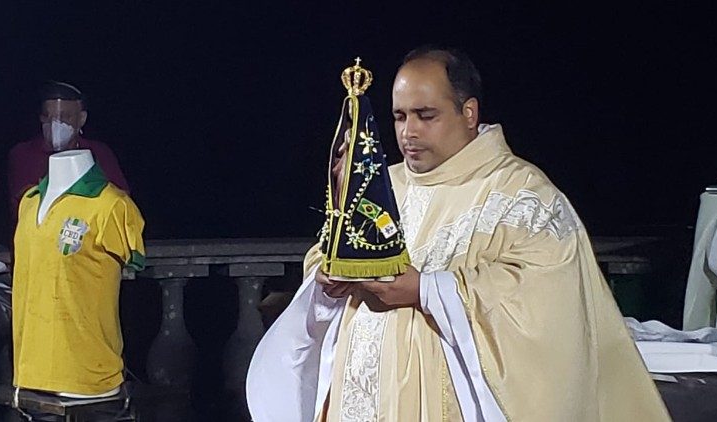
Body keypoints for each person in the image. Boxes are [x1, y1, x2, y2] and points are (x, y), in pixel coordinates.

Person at [247, 47, 669, 421]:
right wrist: (327, 281)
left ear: (468, 113)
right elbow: (326, 254)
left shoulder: (521, 193)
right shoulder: (380, 188)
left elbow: (545, 300)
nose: (408, 133)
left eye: (425, 116)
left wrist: (426, 290)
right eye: (399, 116)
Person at [7, 81, 130, 223]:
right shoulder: (23, 154)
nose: (55, 124)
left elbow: (121, 200)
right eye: (48, 117)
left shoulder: (99, 152)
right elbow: (24, 204)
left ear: (81, 119)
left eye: (64, 117)